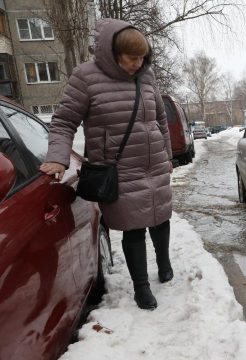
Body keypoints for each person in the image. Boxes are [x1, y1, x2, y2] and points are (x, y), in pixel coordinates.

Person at [39, 19, 174, 310]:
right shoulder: (86, 77)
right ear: (113, 53)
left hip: (155, 165)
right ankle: (142, 287)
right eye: (131, 58)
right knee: (134, 227)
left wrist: (167, 154)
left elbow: (160, 120)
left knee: (161, 218)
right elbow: (63, 122)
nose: (138, 64)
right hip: (119, 169)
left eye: (142, 58)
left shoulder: (146, 77)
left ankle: (164, 264)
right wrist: (57, 157)